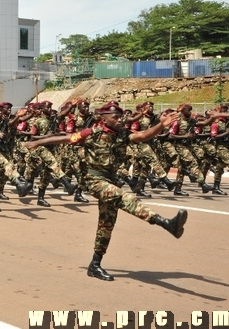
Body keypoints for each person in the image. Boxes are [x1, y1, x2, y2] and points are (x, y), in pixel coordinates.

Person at [25, 102, 188, 281]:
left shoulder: (122, 135)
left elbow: (142, 136)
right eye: (115, 117)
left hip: (110, 180)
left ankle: (94, 265)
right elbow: (65, 138)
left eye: (121, 116)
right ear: (104, 119)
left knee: (106, 224)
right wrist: (37, 142)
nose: (120, 120)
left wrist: (160, 125)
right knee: (126, 198)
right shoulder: (91, 134)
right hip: (94, 180)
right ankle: (165, 223)